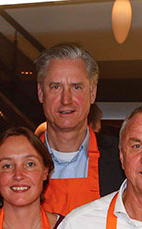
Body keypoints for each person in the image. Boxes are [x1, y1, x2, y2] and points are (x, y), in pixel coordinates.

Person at [36, 42, 124, 216]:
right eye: (56, 87)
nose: (66, 99)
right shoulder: (17, 163)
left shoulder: (122, 159)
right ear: (40, 93)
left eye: (76, 87)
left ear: (92, 93)